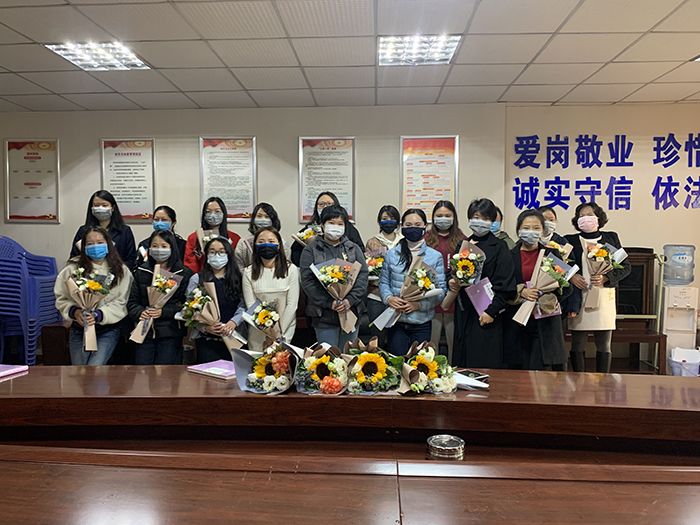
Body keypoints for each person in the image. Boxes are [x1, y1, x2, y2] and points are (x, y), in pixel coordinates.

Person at [503, 210, 573, 371]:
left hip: (544, 321)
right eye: (526, 228)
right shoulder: (509, 255)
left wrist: (543, 297)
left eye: (536, 228)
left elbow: (566, 286)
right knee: (517, 372)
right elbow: (502, 285)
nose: (531, 232)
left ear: (542, 230)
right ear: (518, 230)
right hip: (516, 321)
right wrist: (521, 292)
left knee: (538, 372)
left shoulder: (551, 254)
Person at [566, 202, 631, 373]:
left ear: (599, 218)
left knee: (604, 344)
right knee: (577, 343)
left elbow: (625, 267)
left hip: (604, 297)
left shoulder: (610, 238)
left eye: (589, 215)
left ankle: (604, 380)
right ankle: (578, 379)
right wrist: (572, 276)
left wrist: (606, 277)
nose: (585, 219)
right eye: (581, 216)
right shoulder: (570, 240)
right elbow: (560, 265)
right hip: (580, 297)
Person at [451, 199, 516, 369]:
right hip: (464, 311)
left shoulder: (500, 246)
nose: (480, 222)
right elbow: (455, 273)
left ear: (493, 221)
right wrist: (453, 281)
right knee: (462, 362)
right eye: (476, 217)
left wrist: (491, 311)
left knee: (483, 362)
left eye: (486, 218)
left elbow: (506, 285)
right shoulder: (462, 245)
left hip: (486, 313)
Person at [55, 227, 133, 365]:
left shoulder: (121, 270)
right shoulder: (72, 269)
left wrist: (99, 315)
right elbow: (62, 298)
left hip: (107, 330)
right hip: (79, 329)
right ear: (84, 247)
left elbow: (121, 301)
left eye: (100, 242)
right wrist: (75, 312)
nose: (95, 247)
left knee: (95, 366)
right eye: (90, 244)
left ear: (108, 244)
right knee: (79, 371)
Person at [299, 205, 368, 348]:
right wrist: (328, 302)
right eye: (331, 223)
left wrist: (350, 300)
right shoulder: (310, 250)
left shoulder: (354, 249)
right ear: (322, 224)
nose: (336, 227)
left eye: (340, 224)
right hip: (323, 315)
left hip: (351, 312)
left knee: (349, 355)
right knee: (328, 357)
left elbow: (362, 276)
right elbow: (308, 281)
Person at [380, 209, 446, 356]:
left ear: (425, 227)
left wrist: (418, 305)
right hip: (396, 321)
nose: (413, 228)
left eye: (417, 225)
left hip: (422, 322)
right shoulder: (391, 254)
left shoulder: (434, 257)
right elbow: (384, 282)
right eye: (408, 225)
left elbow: (440, 292)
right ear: (402, 227)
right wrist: (389, 298)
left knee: (419, 365)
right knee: (396, 363)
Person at [128, 230, 193, 365]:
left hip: (171, 331)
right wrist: (140, 312)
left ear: (172, 248)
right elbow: (132, 301)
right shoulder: (141, 271)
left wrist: (163, 312)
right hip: (144, 330)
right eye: (155, 246)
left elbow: (188, 306)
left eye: (164, 246)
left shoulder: (183, 273)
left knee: (165, 371)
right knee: (142, 370)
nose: (159, 250)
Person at [186, 237, 246, 364]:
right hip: (207, 340)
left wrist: (234, 322)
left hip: (235, 337)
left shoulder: (239, 278)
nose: (217, 255)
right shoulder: (196, 279)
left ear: (229, 254)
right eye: (212, 252)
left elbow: (244, 304)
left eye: (221, 252)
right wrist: (205, 327)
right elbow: (189, 311)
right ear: (207, 255)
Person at [242, 227, 300, 351]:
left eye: (271, 241)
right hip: (258, 330)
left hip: (284, 329)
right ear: (255, 245)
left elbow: (292, 304)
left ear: (279, 245)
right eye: (261, 242)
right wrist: (267, 332)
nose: (266, 245)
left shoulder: (291, 269)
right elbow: (251, 305)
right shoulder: (248, 272)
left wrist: (277, 332)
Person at [425, 200, 465, 364]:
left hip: (456, 299)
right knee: (430, 345)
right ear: (433, 218)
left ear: (454, 218)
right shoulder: (425, 239)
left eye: (447, 215)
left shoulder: (462, 239)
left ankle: (452, 373)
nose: (443, 219)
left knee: (454, 344)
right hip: (431, 299)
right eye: (439, 215)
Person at [364, 205, 403, 347]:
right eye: (384, 218)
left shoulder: (404, 241)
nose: (388, 221)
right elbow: (369, 268)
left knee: (396, 336)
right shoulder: (372, 242)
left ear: (397, 221)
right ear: (379, 221)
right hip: (376, 296)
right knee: (377, 336)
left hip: (400, 296)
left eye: (392, 218)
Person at [291, 191, 364, 266]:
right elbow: (295, 252)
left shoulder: (349, 228)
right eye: (321, 204)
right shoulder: (309, 229)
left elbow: (360, 252)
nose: (325, 207)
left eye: (329, 204)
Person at [70, 190, 136, 271]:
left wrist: (116, 270)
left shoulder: (124, 231)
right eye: (96, 205)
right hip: (89, 274)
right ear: (91, 208)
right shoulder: (83, 231)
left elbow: (131, 259)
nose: (100, 208)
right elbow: (74, 258)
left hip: (117, 273)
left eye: (104, 205)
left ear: (112, 208)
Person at [184, 197, 241, 274]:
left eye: (217, 211)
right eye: (208, 212)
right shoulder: (193, 238)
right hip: (201, 277)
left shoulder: (234, 238)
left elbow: (237, 262)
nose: (213, 215)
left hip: (228, 277)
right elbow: (190, 264)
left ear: (223, 214)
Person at [234, 203, 289, 273]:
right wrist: (247, 276)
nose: (263, 219)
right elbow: (239, 265)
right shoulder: (244, 242)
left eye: (267, 216)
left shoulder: (282, 241)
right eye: (259, 216)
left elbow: (285, 263)